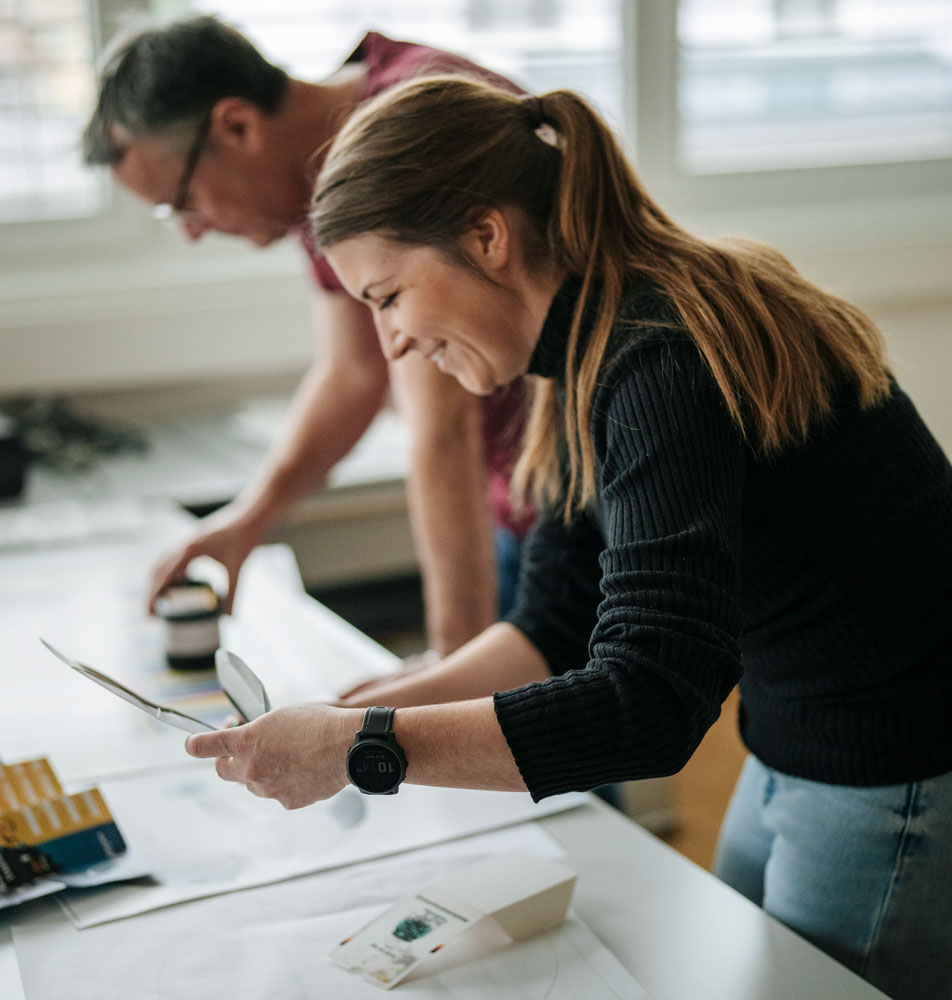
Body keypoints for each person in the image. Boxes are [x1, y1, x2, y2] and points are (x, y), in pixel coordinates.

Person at [184, 74, 952, 999]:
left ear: (486, 237)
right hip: (800, 734)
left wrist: (365, 744)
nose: (387, 344)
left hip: (897, 760)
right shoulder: (585, 345)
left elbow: (651, 704)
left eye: (388, 296)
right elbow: (551, 622)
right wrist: (364, 714)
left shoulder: (660, 353)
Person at [81, 16, 532, 654]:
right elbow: (352, 373)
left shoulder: (399, 132)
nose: (191, 231)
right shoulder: (315, 173)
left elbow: (444, 423)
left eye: (181, 202)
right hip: (516, 498)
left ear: (237, 125)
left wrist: (449, 665)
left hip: (588, 489)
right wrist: (246, 520)